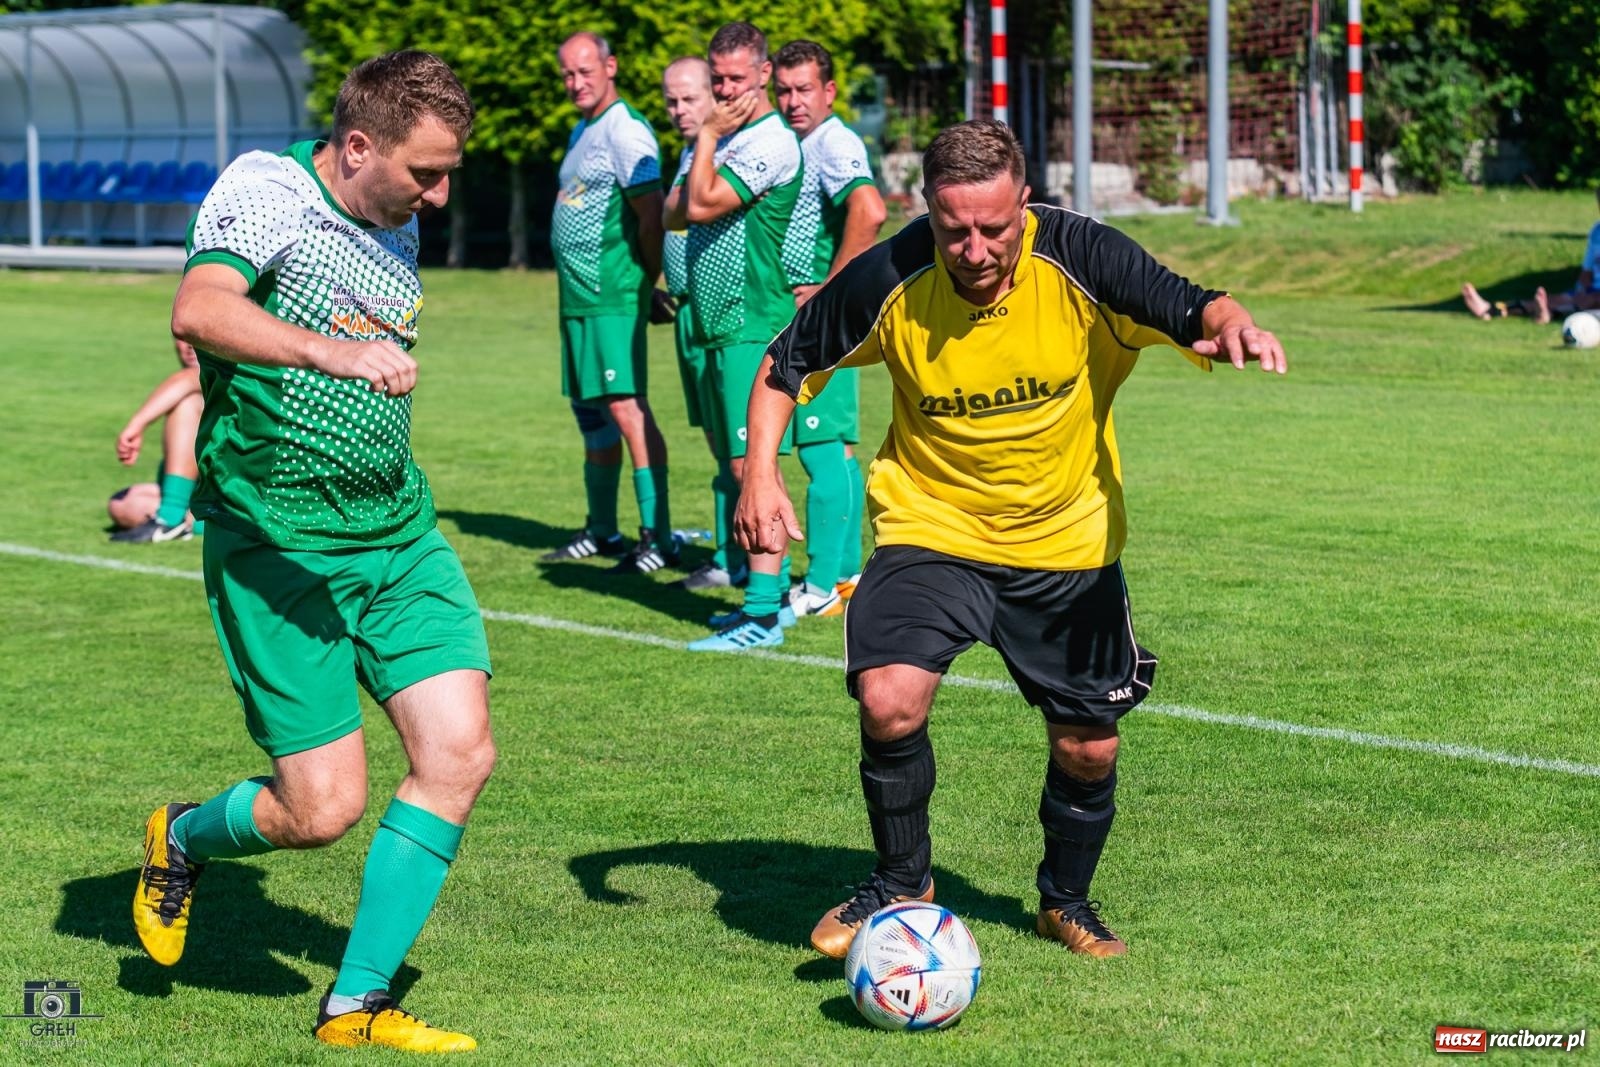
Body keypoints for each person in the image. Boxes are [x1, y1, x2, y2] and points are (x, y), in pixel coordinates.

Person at [733, 121, 1287, 960]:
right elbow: (784, 364)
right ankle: (902, 882)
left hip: (1066, 540)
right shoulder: (893, 272)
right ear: (929, 211)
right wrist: (760, 475)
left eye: (995, 226)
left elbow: (1190, 298)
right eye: (955, 229)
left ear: (1024, 203)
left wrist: (1235, 322)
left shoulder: (1082, 256)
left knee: (1089, 744)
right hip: (934, 526)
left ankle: (1064, 900)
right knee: (887, 699)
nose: (976, 247)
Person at [139, 51, 495, 1053]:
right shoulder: (267, 191)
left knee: (459, 754)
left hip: (395, 532)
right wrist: (330, 350)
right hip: (279, 549)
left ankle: (356, 1004)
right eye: (423, 171)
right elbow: (200, 309)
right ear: (355, 145)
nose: (437, 192)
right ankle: (183, 835)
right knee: (321, 807)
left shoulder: (400, 220)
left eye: (447, 172)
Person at [679, 21, 804, 651]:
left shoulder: (768, 143)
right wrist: (706, 148)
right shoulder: (730, 139)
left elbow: (698, 206)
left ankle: (761, 613)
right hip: (713, 320)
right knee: (735, 465)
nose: (725, 89)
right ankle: (769, 601)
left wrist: (704, 135)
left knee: (752, 464)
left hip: (752, 321)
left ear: (762, 73)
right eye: (717, 78)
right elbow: (676, 207)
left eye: (735, 78)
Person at [545, 31, 678, 573]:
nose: (576, 83)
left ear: (610, 67)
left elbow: (650, 215)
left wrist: (650, 283)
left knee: (625, 407)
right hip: (576, 299)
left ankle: (658, 534)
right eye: (568, 74)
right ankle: (603, 531)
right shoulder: (584, 129)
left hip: (613, 295)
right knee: (591, 413)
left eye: (585, 71)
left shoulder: (626, 131)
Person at [773, 40, 887, 617]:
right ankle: (843, 578)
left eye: (804, 90)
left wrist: (831, 291)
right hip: (815, 317)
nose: (793, 101)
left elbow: (870, 208)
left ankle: (820, 587)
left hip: (827, 319)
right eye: (784, 90)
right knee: (834, 447)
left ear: (829, 92)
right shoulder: (804, 142)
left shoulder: (836, 141)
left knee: (820, 446)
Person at [661, 56, 746, 591]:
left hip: (730, 315)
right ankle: (726, 554)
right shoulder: (690, 152)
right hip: (687, 313)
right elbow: (671, 213)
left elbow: (688, 211)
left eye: (689, 99)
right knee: (719, 448)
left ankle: (761, 573)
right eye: (671, 101)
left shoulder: (729, 151)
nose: (679, 110)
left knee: (742, 453)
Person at [108, 339, 203, 543]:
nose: (189, 345)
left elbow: (188, 379)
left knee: (187, 402)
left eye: (197, 335)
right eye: (182, 336)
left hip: (247, 492)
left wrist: (137, 424)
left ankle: (170, 519)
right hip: (203, 495)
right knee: (122, 504)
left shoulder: (234, 370)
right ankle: (191, 522)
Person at [1462, 187, 1600, 323]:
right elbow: (1586, 272)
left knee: (1591, 300)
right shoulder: (1596, 233)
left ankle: (1548, 313)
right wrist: (1581, 290)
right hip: (1591, 290)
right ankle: (1490, 309)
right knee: (1552, 299)